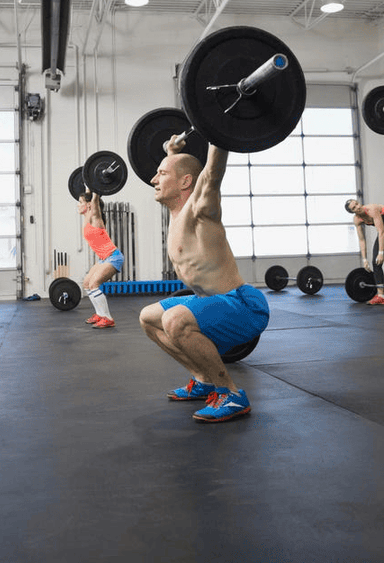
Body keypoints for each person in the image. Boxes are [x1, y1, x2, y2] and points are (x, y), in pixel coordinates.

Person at [139, 137, 269, 423]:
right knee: (149, 317)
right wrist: (172, 153)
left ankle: (231, 394)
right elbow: (186, 169)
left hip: (243, 304)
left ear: (186, 182)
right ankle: (203, 380)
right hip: (208, 301)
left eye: (161, 174)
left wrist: (218, 133)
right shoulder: (176, 213)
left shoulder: (201, 211)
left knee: (174, 319)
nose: (152, 179)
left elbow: (210, 173)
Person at [346, 199, 384, 305]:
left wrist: (381, 253)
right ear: (353, 212)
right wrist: (364, 259)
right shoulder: (357, 220)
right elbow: (361, 240)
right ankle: (381, 296)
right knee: (376, 262)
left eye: (357, 203)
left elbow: (381, 231)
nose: (358, 207)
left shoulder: (372, 209)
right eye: (354, 207)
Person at [77, 189, 123, 328]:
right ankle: (99, 314)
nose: (78, 205)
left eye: (80, 202)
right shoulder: (88, 217)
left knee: (93, 285)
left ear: (89, 205)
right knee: (86, 283)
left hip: (113, 257)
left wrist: (95, 191)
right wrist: (88, 188)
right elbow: (90, 195)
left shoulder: (96, 219)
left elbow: (94, 200)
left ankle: (108, 318)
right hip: (103, 259)